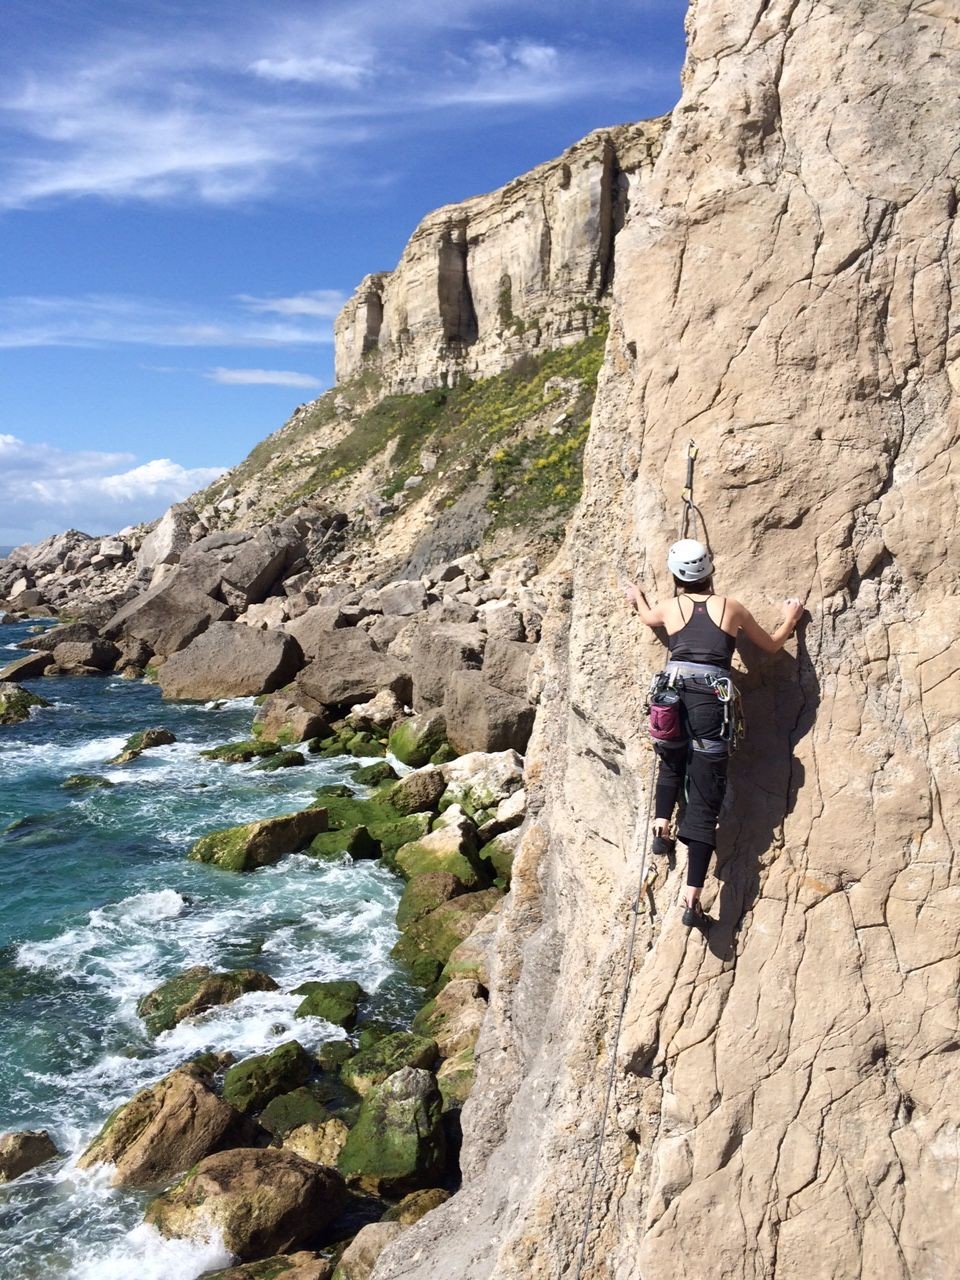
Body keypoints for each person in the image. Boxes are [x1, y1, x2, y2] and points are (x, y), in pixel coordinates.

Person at [624, 538, 803, 932]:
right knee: (705, 798)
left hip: (671, 693)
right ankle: (692, 897)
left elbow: (646, 617)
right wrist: (791, 619)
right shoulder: (732, 607)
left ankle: (661, 828)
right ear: (712, 570)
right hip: (712, 701)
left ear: (675, 578)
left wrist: (637, 596)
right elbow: (771, 645)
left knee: (671, 757)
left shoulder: (669, 608)